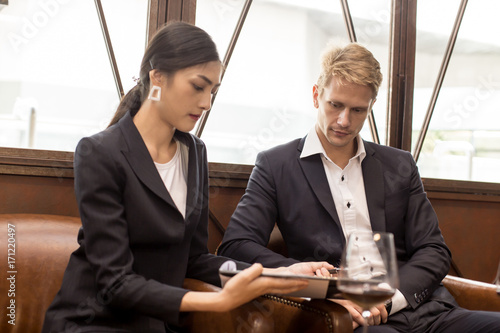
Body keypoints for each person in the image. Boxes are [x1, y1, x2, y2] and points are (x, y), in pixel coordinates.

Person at [41, 22, 332, 333]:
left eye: (212, 92)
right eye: (198, 86)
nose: (206, 103)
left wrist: (283, 274)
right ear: (157, 77)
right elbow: (115, 283)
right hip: (94, 323)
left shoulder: (194, 152)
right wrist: (216, 302)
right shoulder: (100, 152)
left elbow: (195, 260)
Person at [217, 42, 500, 332]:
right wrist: (301, 276)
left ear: (371, 107)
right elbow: (236, 246)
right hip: (348, 316)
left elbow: (433, 249)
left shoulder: (400, 164)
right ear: (317, 96)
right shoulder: (276, 166)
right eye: (335, 105)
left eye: (357, 110)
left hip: (423, 307)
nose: (344, 121)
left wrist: (392, 299)